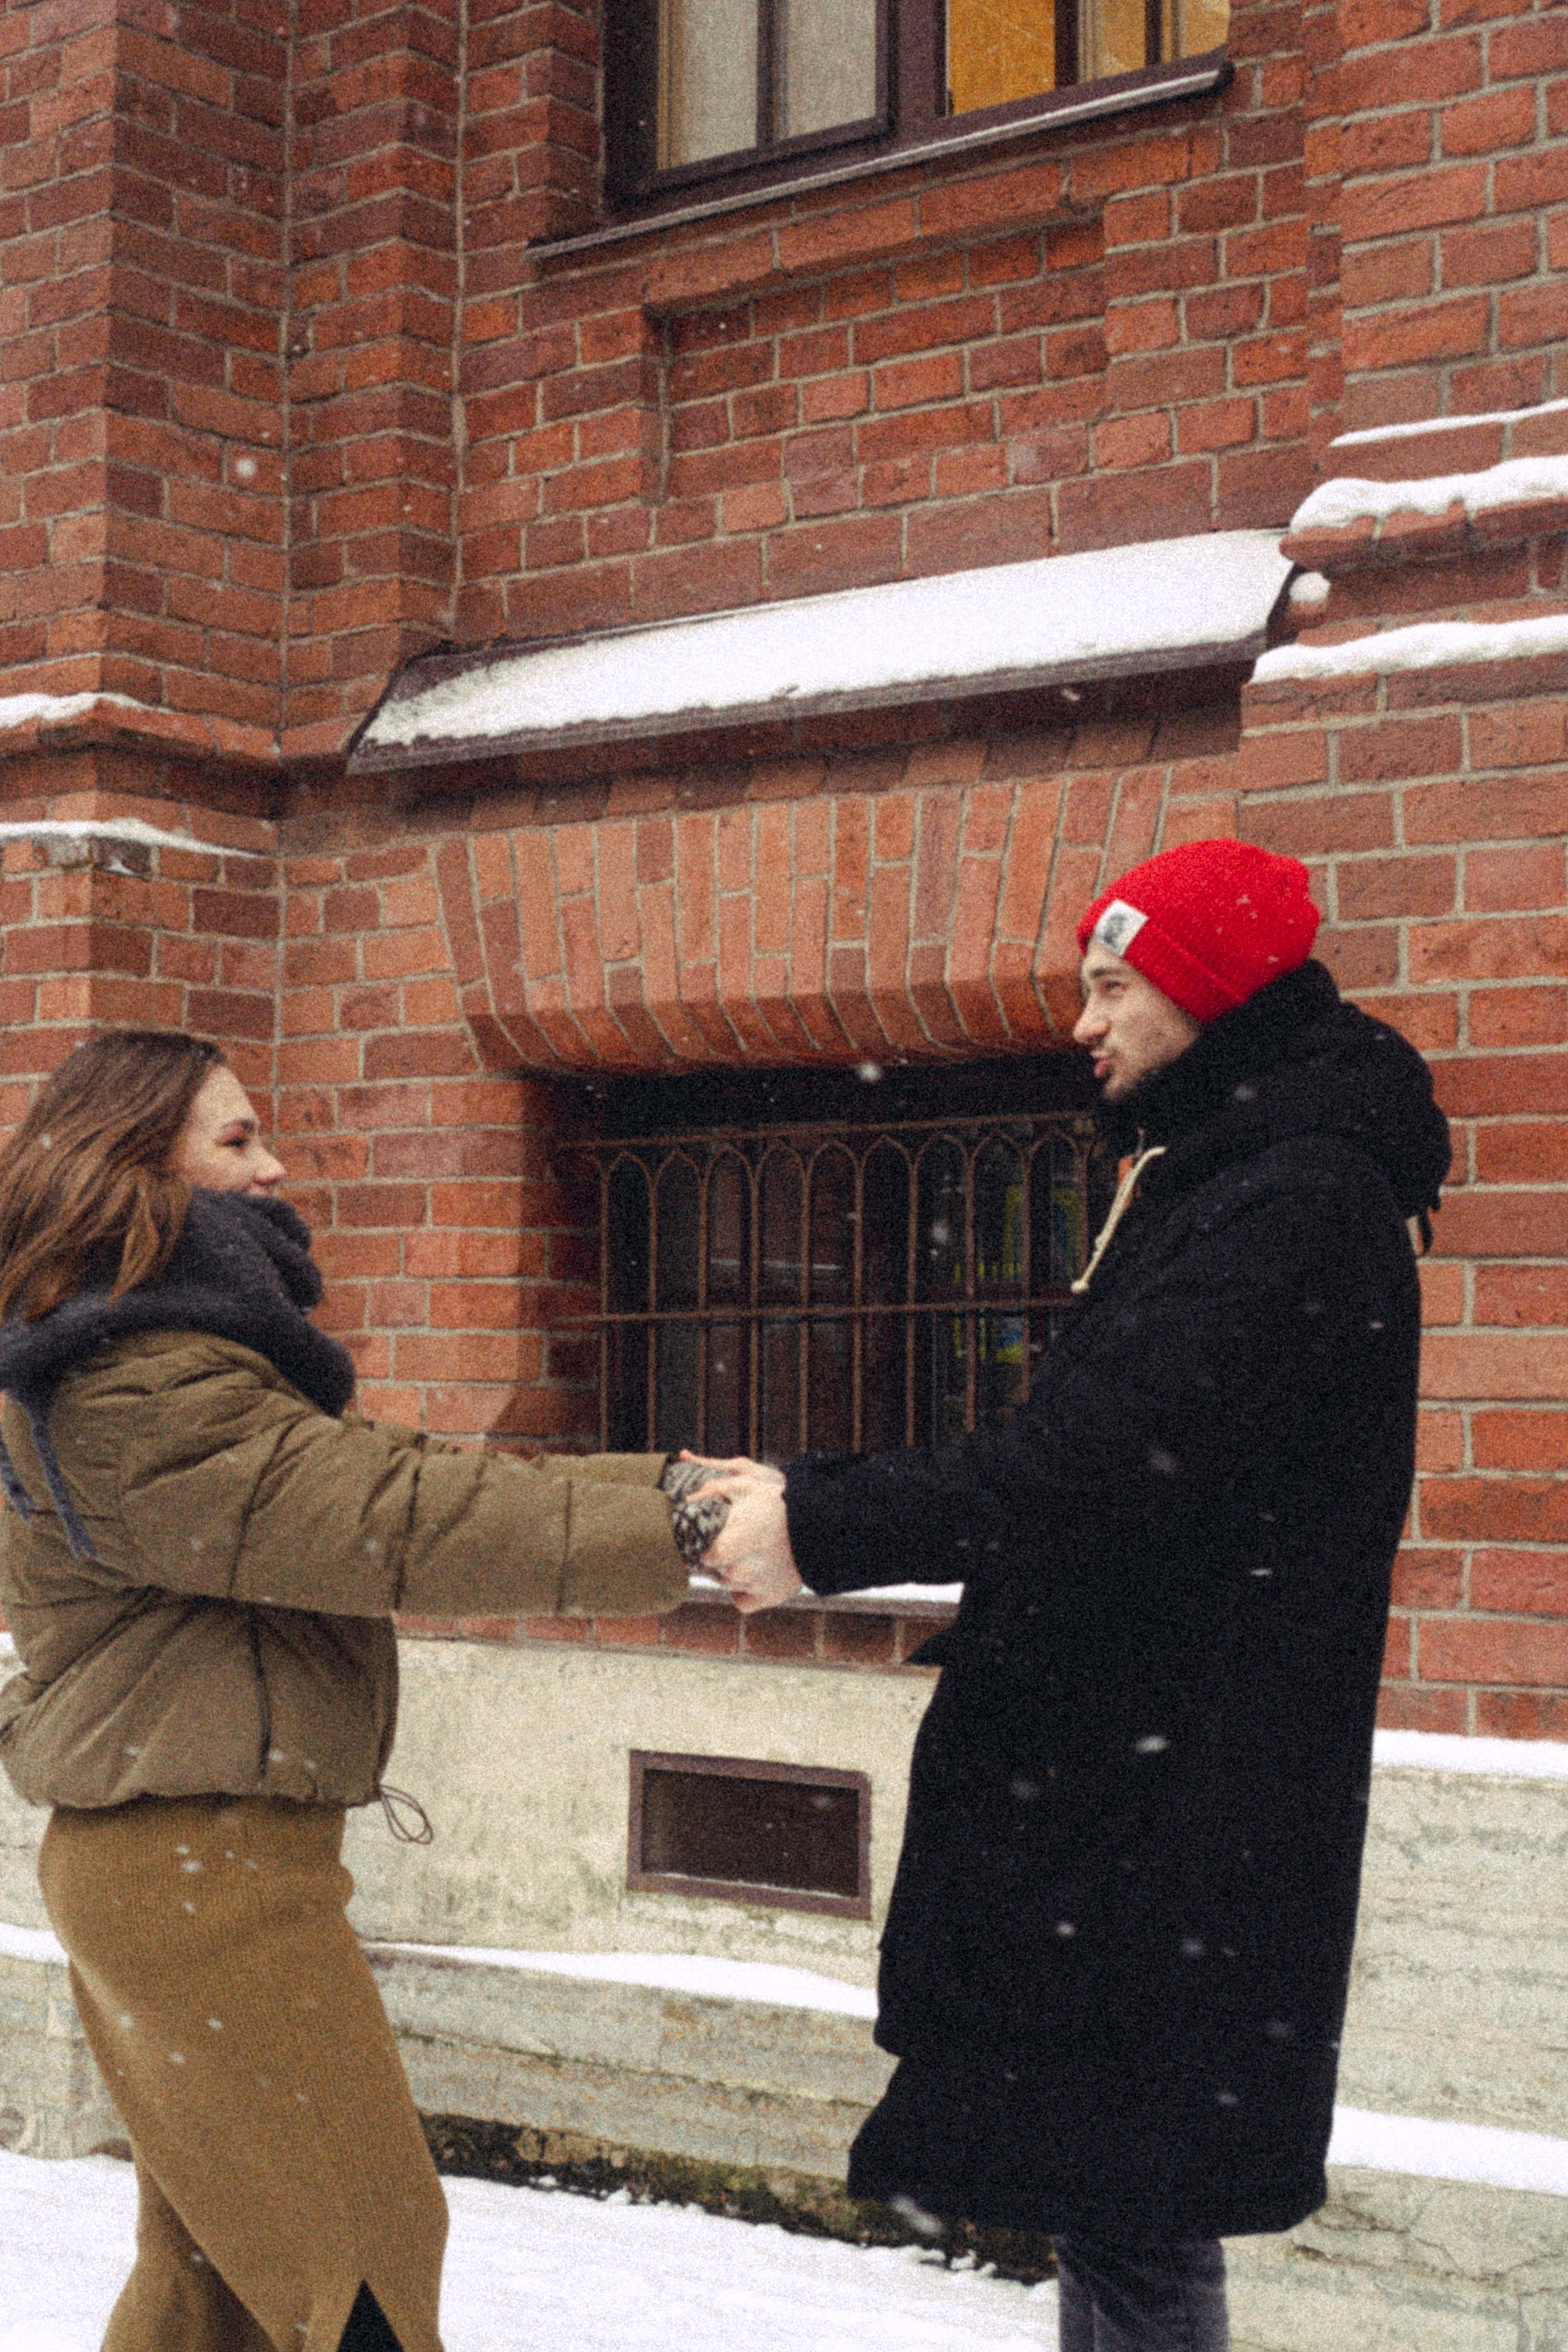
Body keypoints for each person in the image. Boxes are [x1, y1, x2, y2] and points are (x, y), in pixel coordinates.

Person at [691, 839, 1451, 2352]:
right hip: (1144, 1789)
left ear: (1210, 994)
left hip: (1173, 1804)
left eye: (1113, 987)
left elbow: (1093, 1463)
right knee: (1114, 2211)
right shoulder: (1229, 1170)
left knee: (1136, 2215)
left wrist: (818, 1526)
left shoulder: (1291, 1195)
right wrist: (815, 1495)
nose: (1082, 1023)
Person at [0, 1030, 692, 2352]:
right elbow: (396, 1517)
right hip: (197, 1873)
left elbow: (406, 1473)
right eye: (237, 1139)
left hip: (186, 1861)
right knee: (364, 2264)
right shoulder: (131, 1383)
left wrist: (666, 1488)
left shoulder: (153, 1358)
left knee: (216, 2285)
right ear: (134, 1165)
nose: (275, 1168)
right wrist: (681, 1529)